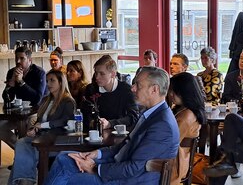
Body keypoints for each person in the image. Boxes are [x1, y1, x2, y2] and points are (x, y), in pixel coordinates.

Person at [44, 66, 180, 185]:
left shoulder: (162, 125)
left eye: (138, 85)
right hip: (120, 169)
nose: (132, 88)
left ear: (154, 90)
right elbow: (125, 146)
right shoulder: (151, 114)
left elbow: (133, 168)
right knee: (64, 157)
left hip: (129, 180)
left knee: (65, 176)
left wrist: (93, 168)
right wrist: (97, 154)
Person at [8, 70, 76, 185]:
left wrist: (44, 125)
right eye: (47, 81)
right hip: (41, 137)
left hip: (56, 140)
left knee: (23, 155)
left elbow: (65, 120)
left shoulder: (68, 101)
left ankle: (25, 182)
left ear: (61, 82)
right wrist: (33, 129)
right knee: (21, 143)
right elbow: (39, 121)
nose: (48, 84)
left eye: (52, 80)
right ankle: (26, 181)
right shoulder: (46, 100)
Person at [1, 46, 47, 149]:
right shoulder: (11, 72)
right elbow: (7, 99)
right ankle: (19, 149)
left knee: (28, 125)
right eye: (16, 58)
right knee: (1, 127)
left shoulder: (39, 73)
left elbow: (37, 99)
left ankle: (25, 156)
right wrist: (11, 84)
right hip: (19, 113)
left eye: (22, 58)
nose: (18, 61)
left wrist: (21, 82)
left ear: (29, 60)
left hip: (37, 112)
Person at [81, 55, 138, 132]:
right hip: (95, 133)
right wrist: (93, 121)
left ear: (113, 74)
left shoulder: (126, 90)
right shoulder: (91, 89)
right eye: (96, 73)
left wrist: (110, 123)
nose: (97, 77)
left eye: (102, 74)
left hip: (120, 134)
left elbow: (133, 117)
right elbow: (85, 113)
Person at [169, 72, 206, 184]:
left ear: (184, 92)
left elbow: (170, 143)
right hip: (178, 159)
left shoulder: (186, 116)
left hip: (175, 164)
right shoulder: (186, 110)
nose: (170, 94)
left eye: (173, 91)